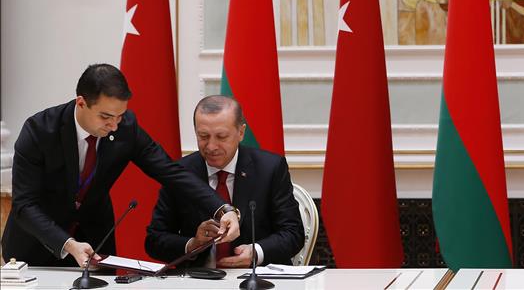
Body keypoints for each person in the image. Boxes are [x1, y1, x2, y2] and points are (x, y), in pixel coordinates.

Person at [0, 64, 241, 267]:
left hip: (95, 245)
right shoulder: (40, 131)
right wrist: (68, 244)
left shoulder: (125, 128)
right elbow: (25, 204)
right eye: (106, 117)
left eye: (120, 116)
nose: (114, 125)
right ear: (81, 103)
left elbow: (171, 172)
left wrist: (222, 209)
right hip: (37, 244)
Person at [145, 95, 304, 268]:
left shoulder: (270, 168)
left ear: (241, 132)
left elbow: (293, 234)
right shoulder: (180, 172)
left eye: (221, 137)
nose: (211, 146)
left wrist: (256, 252)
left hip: (256, 277)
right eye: (203, 136)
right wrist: (192, 244)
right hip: (197, 279)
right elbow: (154, 240)